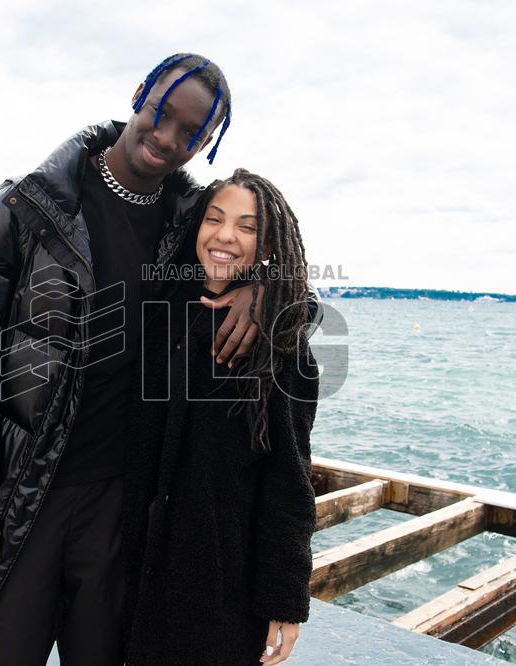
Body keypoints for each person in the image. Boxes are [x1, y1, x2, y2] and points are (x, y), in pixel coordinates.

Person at [0, 53, 272, 666]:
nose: (168, 140)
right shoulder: (30, 206)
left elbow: (263, 249)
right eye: (161, 114)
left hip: (122, 506)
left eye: (192, 133)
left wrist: (264, 290)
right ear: (139, 94)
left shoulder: (189, 218)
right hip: (22, 494)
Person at [121, 169, 320, 666]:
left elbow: (289, 480)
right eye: (215, 219)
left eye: (248, 227)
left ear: (269, 244)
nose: (226, 236)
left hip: (218, 586)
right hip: (130, 567)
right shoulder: (160, 306)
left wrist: (285, 599)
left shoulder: (281, 346)